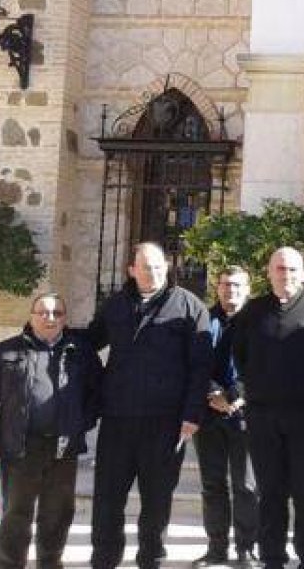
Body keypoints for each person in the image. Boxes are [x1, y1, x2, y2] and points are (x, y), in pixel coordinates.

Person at [88, 242, 212, 569]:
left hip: (166, 422)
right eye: (146, 267)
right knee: (107, 497)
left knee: (157, 500)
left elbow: (201, 367)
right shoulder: (115, 305)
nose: (154, 273)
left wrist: (192, 414)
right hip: (118, 418)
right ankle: (104, 559)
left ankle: (151, 558)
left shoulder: (190, 307)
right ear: (131, 270)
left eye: (158, 266)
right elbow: (88, 344)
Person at [223, 247, 304, 569]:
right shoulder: (252, 312)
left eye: (292, 269)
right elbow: (238, 356)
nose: (286, 275)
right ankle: (273, 558)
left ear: (301, 272)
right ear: (268, 273)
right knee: (270, 493)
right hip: (263, 417)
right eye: (280, 269)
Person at [0, 292, 102, 569]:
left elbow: (97, 393)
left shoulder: (82, 353)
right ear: (31, 317)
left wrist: (80, 422)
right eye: (43, 312)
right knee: (16, 516)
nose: (49, 318)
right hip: (20, 449)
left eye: (56, 313)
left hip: (63, 449)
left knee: (57, 515)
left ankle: (50, 564)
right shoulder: (5, 352)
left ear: (64, 319)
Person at [193, 266, 259, 567]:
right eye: (225, 284)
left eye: (236, 285)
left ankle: (246, 549)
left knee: (246, 486)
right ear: (217, 288)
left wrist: (233, 396)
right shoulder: (203, 320)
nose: (230, 290)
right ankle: (216, 549)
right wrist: (213, 394)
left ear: (247, 289)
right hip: (209, 415)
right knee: (212, 485)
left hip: (246, 414)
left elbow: (263, 365)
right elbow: (193, 363)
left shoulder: (259, 322)